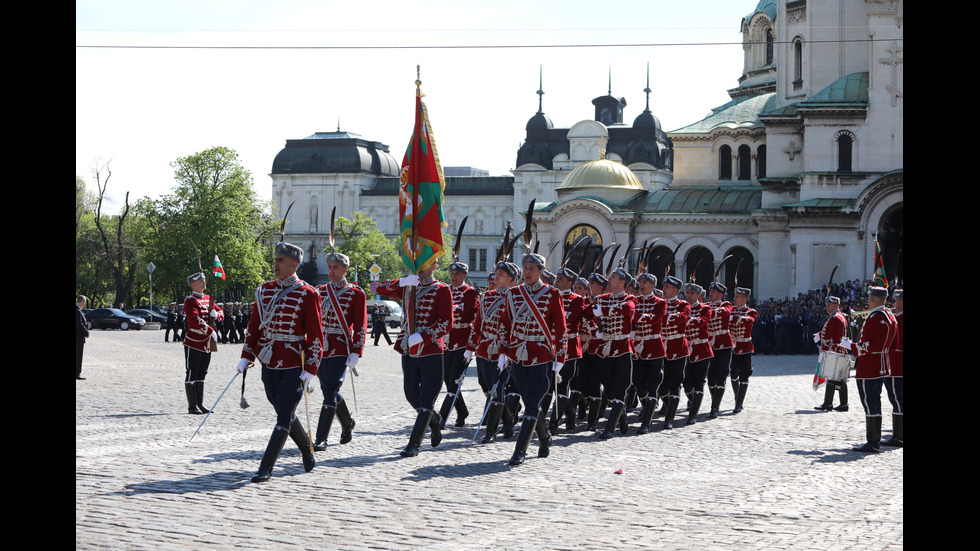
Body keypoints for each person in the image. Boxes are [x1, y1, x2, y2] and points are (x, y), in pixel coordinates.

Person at [236, 241, 324, 482]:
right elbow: (254, 327)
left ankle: (266, 467)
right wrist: (246, 356)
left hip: (295, 362)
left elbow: (316, 334)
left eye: (280, 261)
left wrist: (311, 368)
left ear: (294, 264)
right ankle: (306, 448)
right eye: (275, 259)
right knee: (284, 412)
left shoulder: (307, 293)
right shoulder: (264, 290)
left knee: (284, 415)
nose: (275, 264)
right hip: (269, 361)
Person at [375, 263, 452, 457]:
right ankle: (434, 420)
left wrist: (425, 336)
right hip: (409, 348)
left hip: (431, 350)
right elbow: (376, 288)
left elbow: (446, 321)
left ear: (434, 264)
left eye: (424, 263)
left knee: (427, 398)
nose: (419, 267)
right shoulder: (408, 287)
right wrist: (401, 281)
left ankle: (414, 444)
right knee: (411, 395)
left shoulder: (441, 290)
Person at [497, 253, 566, 465]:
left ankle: (520, 450)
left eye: (532, 269)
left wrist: (560, 358)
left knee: (532, 402)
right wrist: (502, 351)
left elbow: (561, 329)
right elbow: (505, 323)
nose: (527, 272)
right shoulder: (513, 293)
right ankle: (544, 438)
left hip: (541, 355)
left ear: (541, 272)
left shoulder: (552, 294)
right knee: (529, 402)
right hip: (517, 354)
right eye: (525, 268)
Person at [313, 252, 366, 452]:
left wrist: (356, 351)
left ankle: (321, 437)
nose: (331, 271)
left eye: (335, 267)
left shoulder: (355, 293)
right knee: (330, 389)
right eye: (329, 267)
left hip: (340, 347)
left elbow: (360, 324)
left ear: (345, 269)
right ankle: (347, 423)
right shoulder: (319, 291)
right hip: (320, 348)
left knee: (329, 391)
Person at [468, 261, 520, 444]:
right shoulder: (487, 296)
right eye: (496, 273)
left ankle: (491, 431)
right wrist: (470, 347)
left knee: (497, 389)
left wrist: (508, 351)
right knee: (485, 385)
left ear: (511, 279)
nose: (495, 276)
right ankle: (508, 422)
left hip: (505, 350)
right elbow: (478, 323)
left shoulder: (518, 297)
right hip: (485, 347)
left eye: (501, 274)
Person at [842, 286, 898, 453]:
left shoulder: (874, 318)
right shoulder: (890, 316)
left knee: (870, 403)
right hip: (882, 365)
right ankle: (875, 440)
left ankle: (873, 441)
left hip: (869, 366)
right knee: (875, 402)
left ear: (872, 300)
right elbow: (894, 345)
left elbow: (868, 346)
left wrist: (850, 346)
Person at [582, 267, 635, 439]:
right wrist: (594, 331)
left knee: (620, 388)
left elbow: (627, 310)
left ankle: (609, 428)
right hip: (605, 350)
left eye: (613, 277)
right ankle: (622, 417)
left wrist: (603, 312)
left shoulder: (630, 299)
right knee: (609, 389)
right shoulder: (601, 299)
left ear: (622, 283)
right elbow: (584, 315)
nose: (609, 279)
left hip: (622, 348)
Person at [438, 261, 479, 428]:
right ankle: (462, 411)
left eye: (457, 274)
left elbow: (477, 318)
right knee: (447, 379)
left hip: (463, 342)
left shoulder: (470, 293)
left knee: (455, 379)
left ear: (464, 275)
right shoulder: (445, 291)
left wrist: (473, 343)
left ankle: (441, 418)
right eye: (452, 274)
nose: (454, 277)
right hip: (446, 341)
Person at [182, 272, 224, 415]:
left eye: (204, 280)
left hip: (206, 343)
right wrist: (210, 330)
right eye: (201, 281)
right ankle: (192, 405)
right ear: (193, 285)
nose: (204, 283)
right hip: (194, 342)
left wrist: (216, 315)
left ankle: (200, 404)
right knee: (192, 372)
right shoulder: (190, 300)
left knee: (202, 373)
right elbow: (194, 319)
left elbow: (221, 313)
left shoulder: (208, 299)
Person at [551, 265, 586, 434]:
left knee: (563, 383)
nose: (556, 281)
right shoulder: (550, 296)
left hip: (569, 347)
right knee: (551, 384)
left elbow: (569, 318)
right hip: (551, 347)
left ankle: (553, 422)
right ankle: (570, 413)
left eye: (561, 279)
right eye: (557, 278)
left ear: (570, 282)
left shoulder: (577, 300)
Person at [631, 273, 666, 433]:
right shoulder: (634, 301)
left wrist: (634, 315)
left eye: (645, 282)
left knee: (653, 384)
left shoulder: (660, 302)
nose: (641, 285)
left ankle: (647, 422)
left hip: (654, 347)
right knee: (638, 383)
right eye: (640, 282)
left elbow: (653, 319)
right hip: (637, 347)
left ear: (653, 285)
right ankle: (647, 406)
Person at [659, 276, 690, 429]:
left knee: (675, 383)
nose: (664, 289)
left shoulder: (683, 305)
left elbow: (679, 318)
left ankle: (669, 418)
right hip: (661, 348)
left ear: (675, 290)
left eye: (667, 287)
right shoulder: (659, 304)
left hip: (678, 347)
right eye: (664, 286)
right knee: (661, 385)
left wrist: (660, 317)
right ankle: (669, 405)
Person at [682, 283, 713, 425]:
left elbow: (701, 322)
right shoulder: (682, 308)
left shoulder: (705, 308)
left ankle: (693, 414)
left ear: (699, 296)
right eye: (687, 293)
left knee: (699, 382)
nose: (688, 296)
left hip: (701, 349)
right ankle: (692, 400)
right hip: (686, 349)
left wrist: (682, 319)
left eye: (692, 293)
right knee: (687, 383)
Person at [814, 296, 851, 411]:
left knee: (837, 379)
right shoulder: (836, 317)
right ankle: (829, 402)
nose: (827, 307)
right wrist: (820, 334)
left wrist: (828, 349)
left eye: (829, 305)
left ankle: (842, 404)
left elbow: (835, 337)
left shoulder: (836, 318)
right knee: (832, 378)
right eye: (826, 305)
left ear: (836, 305)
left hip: (834, 351)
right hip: (835, 351)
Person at [706, 282, 734, 419]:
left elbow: (725, 312)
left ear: (720, 294)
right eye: (710, 291)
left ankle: (715, 407)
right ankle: (715, 399)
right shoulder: (706, 306)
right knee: (711, 377)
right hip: (710, 345)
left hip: (724, 344)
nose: (710, 294)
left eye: (713, 291)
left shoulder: (726, 305)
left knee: (721, 375)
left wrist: (706, 312)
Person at [729, 287, 758, 413]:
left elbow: (747, 321)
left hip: (745, 347)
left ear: (744, 299)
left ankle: (739, 403)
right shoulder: (731, 310)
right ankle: (737, 396)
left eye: (737, 297)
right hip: (732, 347)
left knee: (744, 375)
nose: (734, 299)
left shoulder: (751, 311)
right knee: (733, 374)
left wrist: (732, 319)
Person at [882, 288, 903, 447]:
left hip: (897, 364)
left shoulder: (899, 319)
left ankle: (899, 436)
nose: (894, 304)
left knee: (897, 399)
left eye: (896, 301)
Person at [76, 295, 90, 380]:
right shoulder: (77, 311)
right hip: (78, 337)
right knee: (78, 355)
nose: (85, 304)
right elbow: (79, 323)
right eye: (84, 302)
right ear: (81, 302)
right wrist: (86, 332)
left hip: (78, 336)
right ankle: (77, 373)